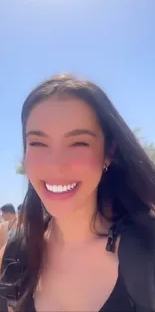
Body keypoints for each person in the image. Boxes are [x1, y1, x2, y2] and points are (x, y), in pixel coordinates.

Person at [0, 74, 155, 312]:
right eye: (38, 144)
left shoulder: (146, 250)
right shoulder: (18, 253)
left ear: (108, 153)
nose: (56, 166)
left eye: (78, 143)